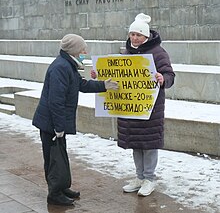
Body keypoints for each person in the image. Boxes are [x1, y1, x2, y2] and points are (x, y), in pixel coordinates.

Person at [91, 13, 175, 196]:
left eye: (138, 35)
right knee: (136, 143)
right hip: (131, 108)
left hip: (150, 108)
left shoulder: (158, 52)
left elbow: (170, 75)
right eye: (132, 34)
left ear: (146, 36)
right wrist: (99, 75)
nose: (134, 38)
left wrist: (163, 79)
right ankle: (139, 176)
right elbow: (117, 76)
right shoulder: (126, 52)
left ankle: (149, 178)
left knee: (149, 144)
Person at [32, 34, 118, 206]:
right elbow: (55, 101)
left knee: (60, 155)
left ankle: (62, 187)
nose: (84, 52)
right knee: (52, 158)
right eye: (82, 49)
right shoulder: (61, 67)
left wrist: (103, 85)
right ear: (74, 50)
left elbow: (82, 85)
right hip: (51, 123)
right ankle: (54, 193)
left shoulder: (68, 65)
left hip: (56, 122)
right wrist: (58, 127)